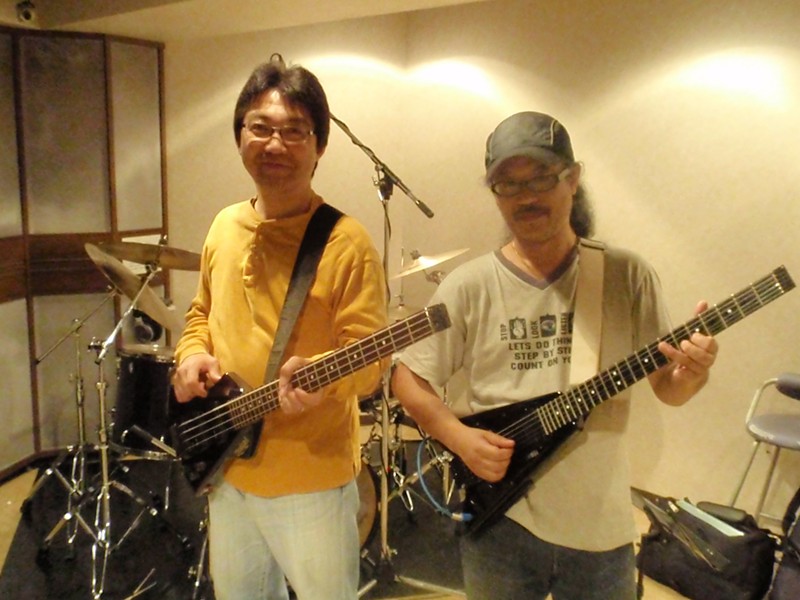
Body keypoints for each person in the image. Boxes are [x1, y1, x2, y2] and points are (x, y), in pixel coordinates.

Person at [391, 111, 719, 600]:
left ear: (573, 178)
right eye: (508, 184)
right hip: (500, 521)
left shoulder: (626, 275)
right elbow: (407, 378)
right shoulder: (468, 286)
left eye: (542, 177)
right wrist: (458, 437)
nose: (526, 196)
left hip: (600, 528)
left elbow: (670, 389)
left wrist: (692, 372)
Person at [172, 55, 388, 600]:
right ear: (239, 136)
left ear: (319, 147)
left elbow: (370, 365)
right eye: (261, 128)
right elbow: (200, 314)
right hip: (228, 466)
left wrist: (323, 377)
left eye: (295, 131)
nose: (275, 145)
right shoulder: (224, 225)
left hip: (310, 481)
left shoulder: (346, 243)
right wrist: (190, 355)